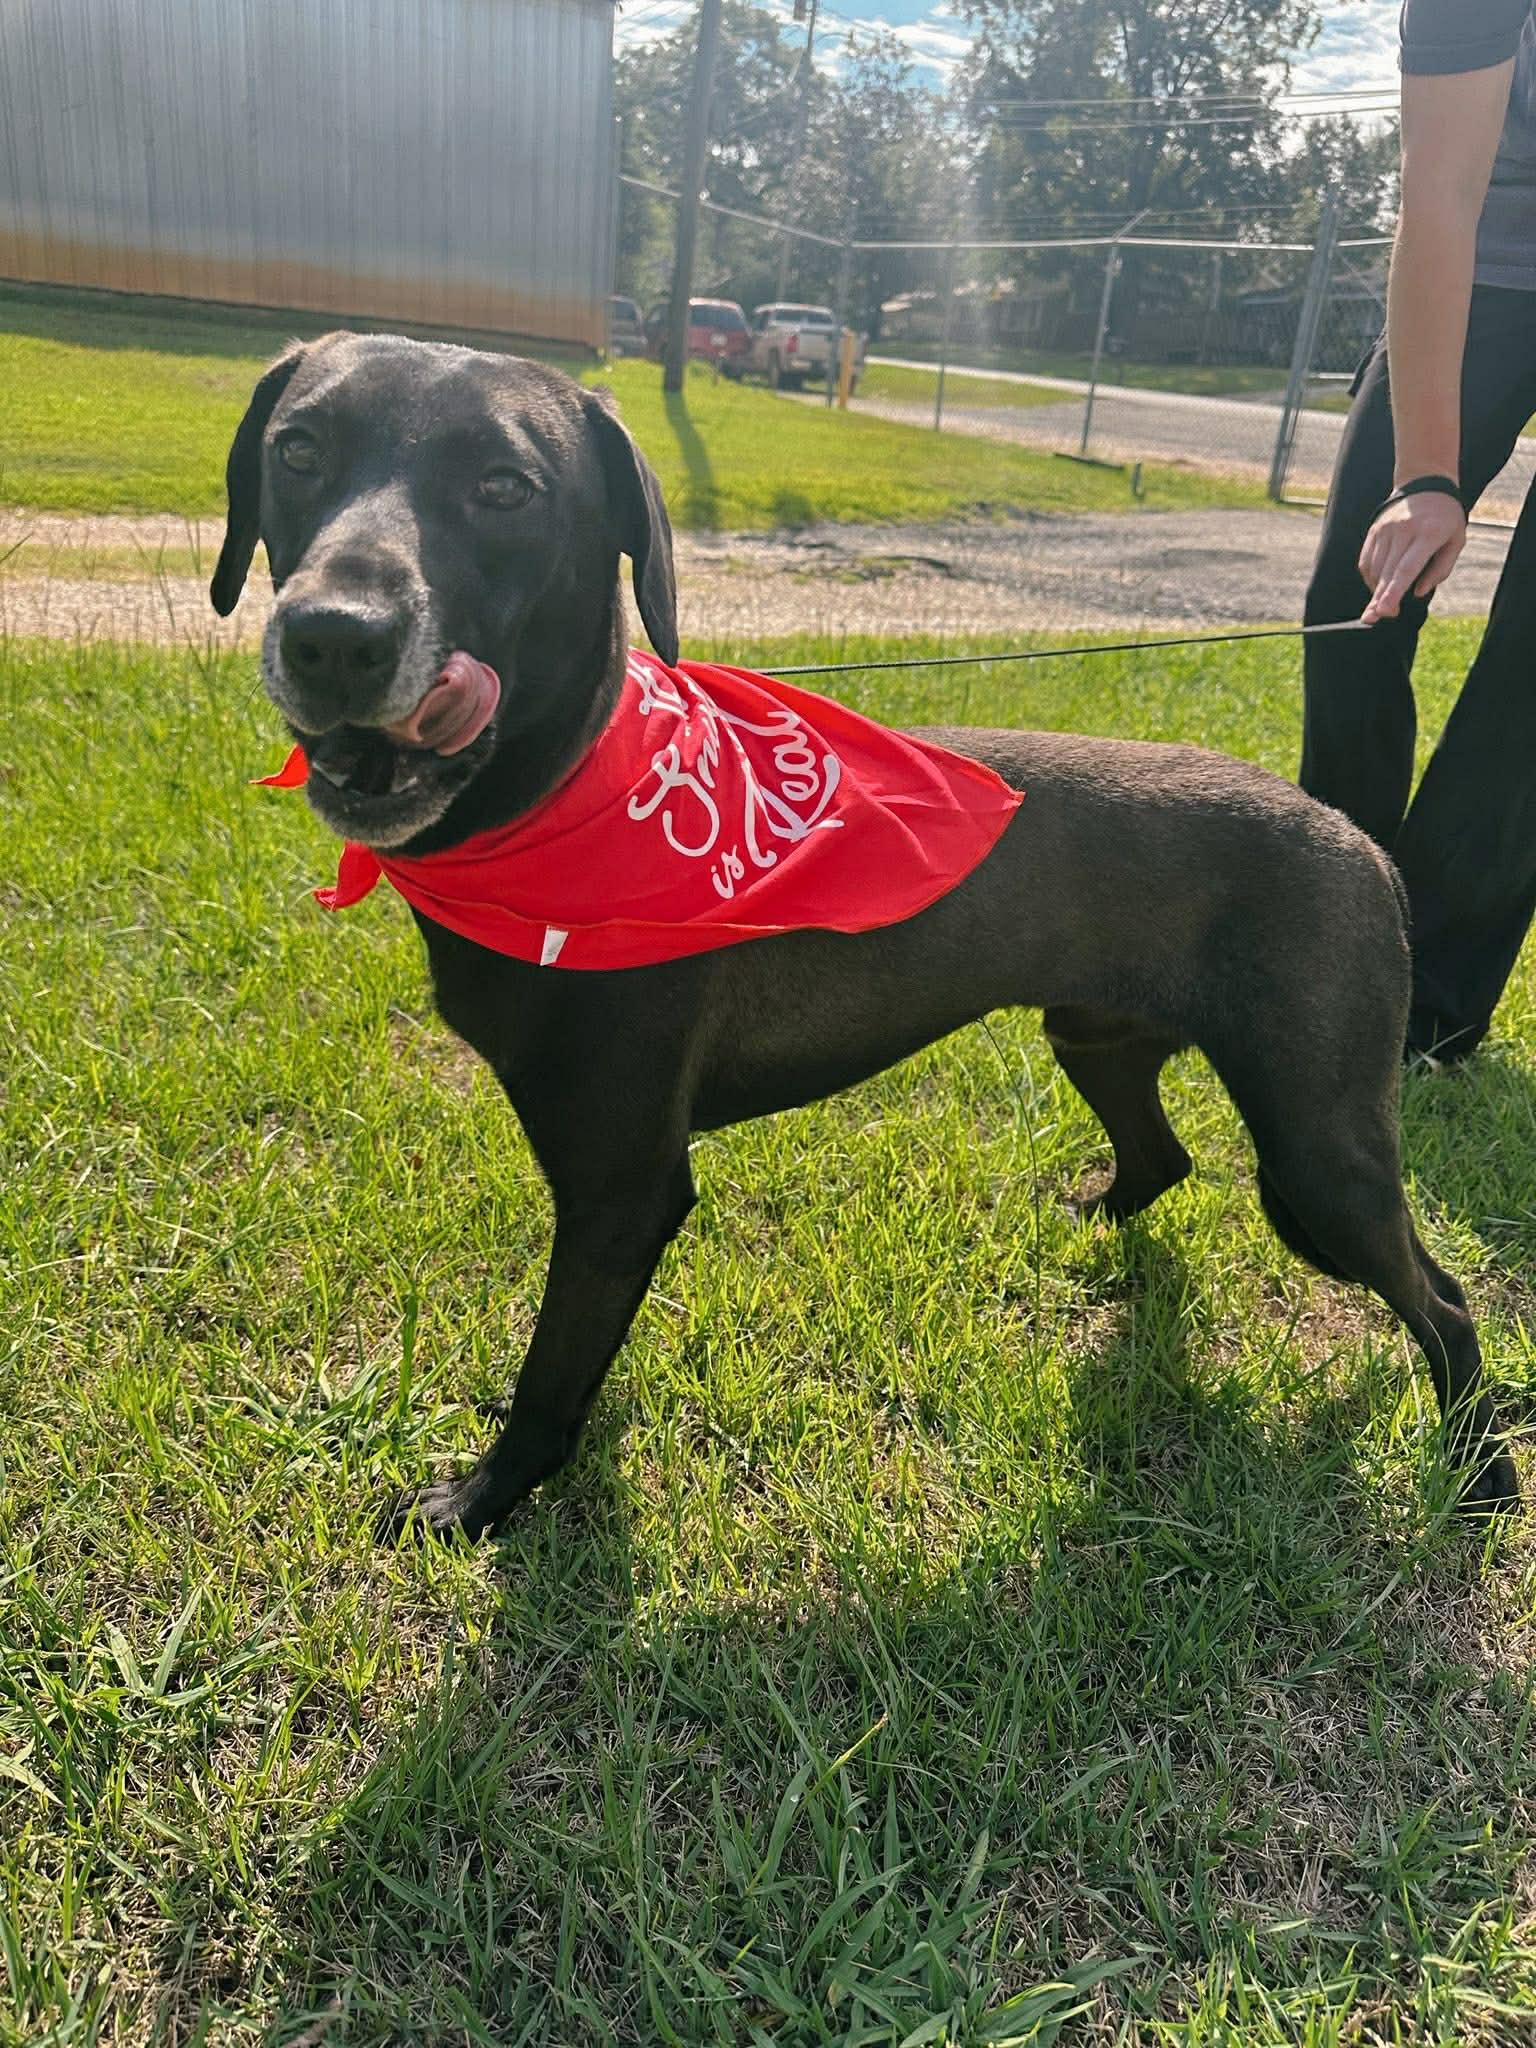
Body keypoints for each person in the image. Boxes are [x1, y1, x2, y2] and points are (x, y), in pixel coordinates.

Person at [1301, 0, 1536, 1063]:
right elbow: (1439, 197)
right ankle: (1320, 923)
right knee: (1356, 604)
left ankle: (1428, 1003)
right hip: (1481, 260)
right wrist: (1425, 474)